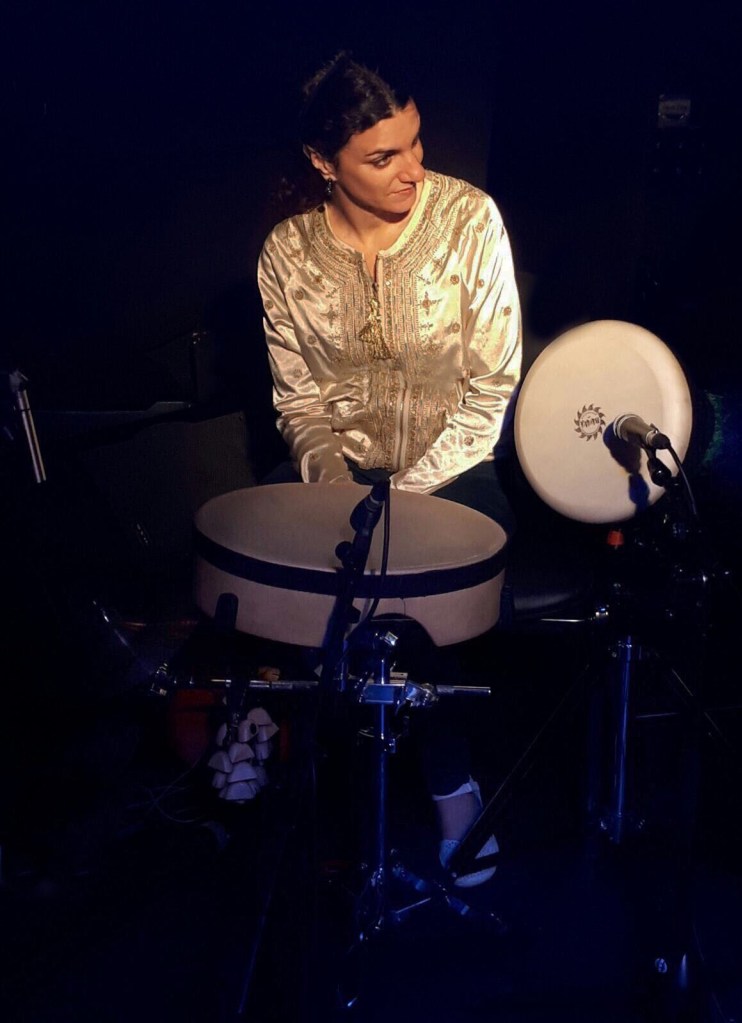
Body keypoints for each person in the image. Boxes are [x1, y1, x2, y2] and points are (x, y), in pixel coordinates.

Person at [256, 52, 522, 885]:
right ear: (321, 161)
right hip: (334, 478)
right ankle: (284, 773)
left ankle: (449, 784)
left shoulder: (470, 220)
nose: (413, 169)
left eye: (416, 142)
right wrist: (339, 494)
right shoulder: (286, 254)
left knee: (409, 592)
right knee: (286, 576)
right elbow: (298, 404)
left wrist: (398, 503)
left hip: (458, 471)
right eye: (383, 157)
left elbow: (491, 388)